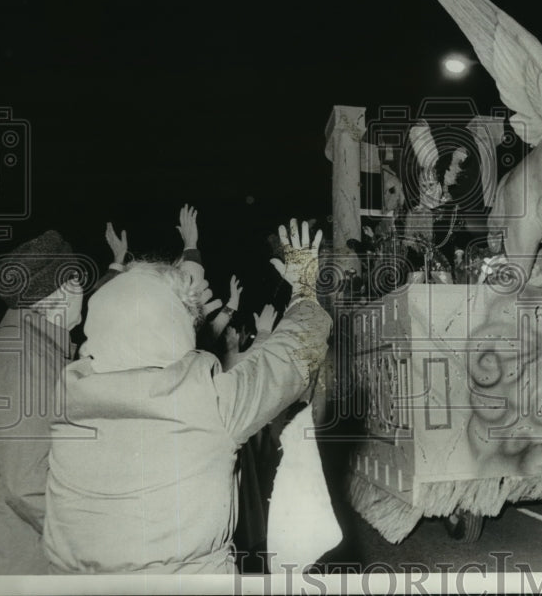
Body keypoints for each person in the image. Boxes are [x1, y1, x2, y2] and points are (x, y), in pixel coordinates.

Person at [43, 219, 331, 574]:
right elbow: (294, 352)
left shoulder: (66, 397)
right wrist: (303, 288)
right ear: (172, 326)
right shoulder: (204, 399)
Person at [0, 231, 85, 574]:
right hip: (19, 558)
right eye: (79, 280)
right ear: (66, 289)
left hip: (16, 547)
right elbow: (27, 484)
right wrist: (86, 540)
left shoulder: (33, 346)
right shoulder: (25, 358)